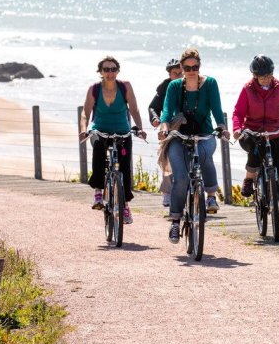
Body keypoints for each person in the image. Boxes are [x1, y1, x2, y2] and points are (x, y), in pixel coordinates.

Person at [158, 48, 230, 244]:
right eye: (187, 67)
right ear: (181, 68)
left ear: (200, 67)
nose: (191, 70)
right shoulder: (174, 86)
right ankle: (175, 221)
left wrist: (222, 128)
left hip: (203, 133)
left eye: (195, 67)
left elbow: (217, 109)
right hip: (179, 135)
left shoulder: (210, 84)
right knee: (180, 178)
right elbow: (166, 111)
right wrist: (164, 127)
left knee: (205, 156)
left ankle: (211, 196)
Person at [232, 55, 279, 228]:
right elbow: (238, 113)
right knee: (255, 149)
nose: (266, 79)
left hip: (274, 132)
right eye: (262, 76)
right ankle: (249, 178)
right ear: (254, 75)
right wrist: (237, 128)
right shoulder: (247, 88)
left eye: (269, 75)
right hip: (252, 132)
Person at [78, 55, 148, 224]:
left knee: (124, 169)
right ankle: (98, 191)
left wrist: (139, 128)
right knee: (98, 151)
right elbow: (85, 113)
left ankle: (124, 206)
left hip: (122, 131)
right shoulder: (94, 89)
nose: (110, 73)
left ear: (117, 71)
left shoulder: (125, 87)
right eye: (106, 69)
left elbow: (134, 110)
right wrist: (83, 130)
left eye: (113, 69)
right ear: (100, 72)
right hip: (100, 130)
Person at [149, 58, 183, 207]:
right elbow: (153, 107)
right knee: (167, 159)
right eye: (175, 73)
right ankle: (167, 193)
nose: (179, 76)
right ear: (169, 74)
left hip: (189, 126)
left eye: (181, 72)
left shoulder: (192, 84)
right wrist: (155, 119)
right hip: (168, 127)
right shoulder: (164, 87)